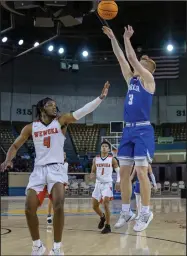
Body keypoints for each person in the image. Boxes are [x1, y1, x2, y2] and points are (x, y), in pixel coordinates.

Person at [0, 81, 110, 255]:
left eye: (55, 105)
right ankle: (37, 245)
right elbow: (14, 146)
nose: (54, 107)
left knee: (58, 205)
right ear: (42, 108)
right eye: (50, 105)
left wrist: (100, 98)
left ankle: (57, 248)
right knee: (29, 209)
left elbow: (80, 113)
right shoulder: (31, 127)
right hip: (38, 170)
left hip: (57, 169)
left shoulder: (61, 121)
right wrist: (7, 160)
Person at [103, 25, 156, 232]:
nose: (138, 62)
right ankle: (126, 211)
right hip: (128, 130)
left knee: (142, 172)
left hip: (143, 130)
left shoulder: (149, 81)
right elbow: (122, 59)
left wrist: (127, 39)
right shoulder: (131, 80)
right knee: (123, 173)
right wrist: (113, 38)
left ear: (148, 69)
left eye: (143, 63)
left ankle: (145, 212)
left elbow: (132, 59)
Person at [90, 141, 120, 234]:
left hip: (108, 184)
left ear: (109, 149)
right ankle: (102, 217)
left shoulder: (113, 159)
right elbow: (93, 171)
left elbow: (118, 172)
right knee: (94, 206)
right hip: (98, 184)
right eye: (102, 146)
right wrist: (92, 175)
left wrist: (118, 182)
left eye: (106, 146)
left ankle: (108, 226)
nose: (104, 147)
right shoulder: (96, 159)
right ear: (100, 148)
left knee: (106, 203)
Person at [47, 151, 68, 225]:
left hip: (62, 182)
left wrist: (66, 184)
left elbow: (65, 174)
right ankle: (49, 215)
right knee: (51, 200)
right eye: (63, 154)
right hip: (53, 182)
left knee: (60, 201)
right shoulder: (54, 163)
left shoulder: (66, 164)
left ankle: (57, 215)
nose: (64, 156)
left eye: (65, 155)